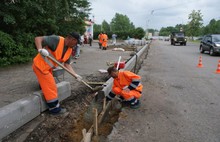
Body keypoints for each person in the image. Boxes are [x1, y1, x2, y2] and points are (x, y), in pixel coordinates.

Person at [32, 32, 82, 115]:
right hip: (40, 67)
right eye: (76, 43)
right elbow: (38, 39)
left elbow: (67, 65)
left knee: (47, 84)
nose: (76, 45)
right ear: (72, 39)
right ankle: (54, 109)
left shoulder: (69, 50)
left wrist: (75, 75)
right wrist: (40, 50)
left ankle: (42, 86)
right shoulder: (56, 40)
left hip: (48, 69)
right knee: (51, 87)